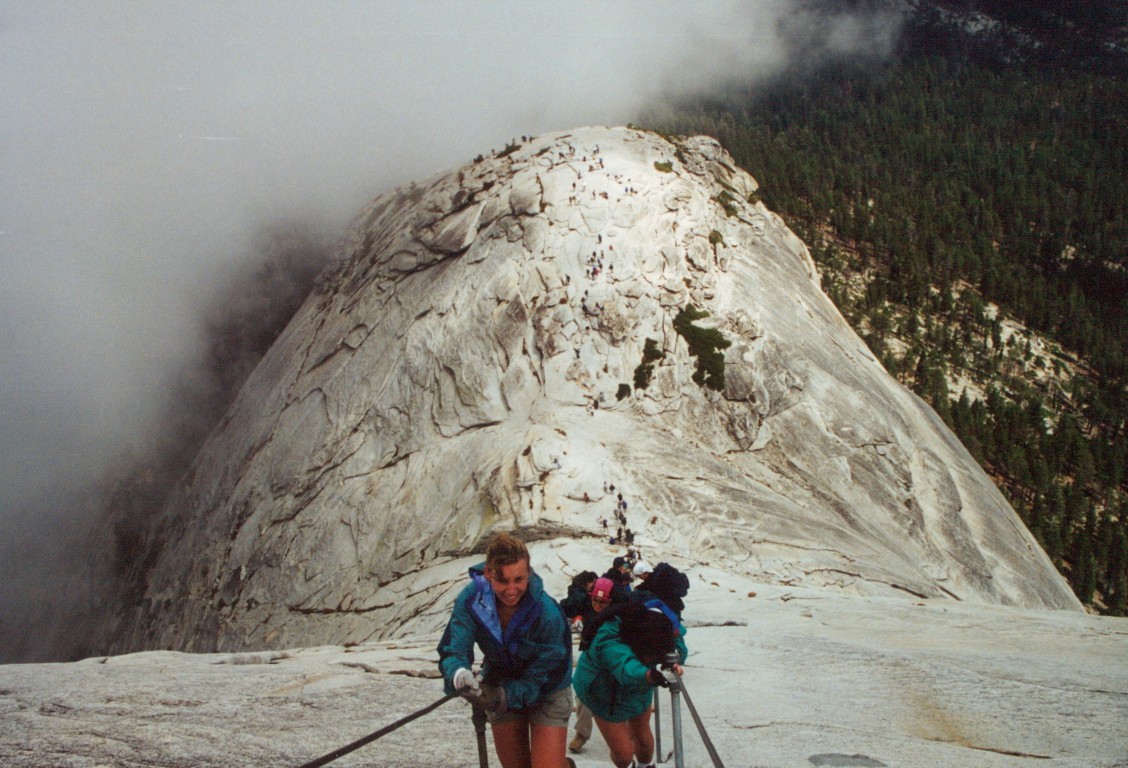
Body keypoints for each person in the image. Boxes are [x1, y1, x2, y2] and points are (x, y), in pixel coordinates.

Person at [438, 532, 574, 768]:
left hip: (547, 688)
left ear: (529, 573)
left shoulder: (546, 612)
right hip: (500, 682)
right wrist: (458, 673)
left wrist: (506, 696)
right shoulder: (471, 600)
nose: (511, 589)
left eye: (519, 579)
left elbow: (550, 669)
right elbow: (454, 647)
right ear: (489, 574)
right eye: (502, 580)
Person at [573, 603, 688, 768]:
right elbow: (625, 665)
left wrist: (671, 660)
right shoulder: (609, 638)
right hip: (602, 691)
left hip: (639, 685)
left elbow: (676, 641)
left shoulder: (658, 623)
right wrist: (648, 675)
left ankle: (643, 766)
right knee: (623, 753)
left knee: (643, 741)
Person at [568, 577, 615, 754]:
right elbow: (575, 609)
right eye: (594, 599)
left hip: (612, 657)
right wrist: (577, 618)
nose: (597, 604)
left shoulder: (617, 614)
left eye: (602, 602)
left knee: (617, 695)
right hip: (589, 655)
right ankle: (581, 733)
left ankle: (626, 736)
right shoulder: (587, 605)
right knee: (582, 694)